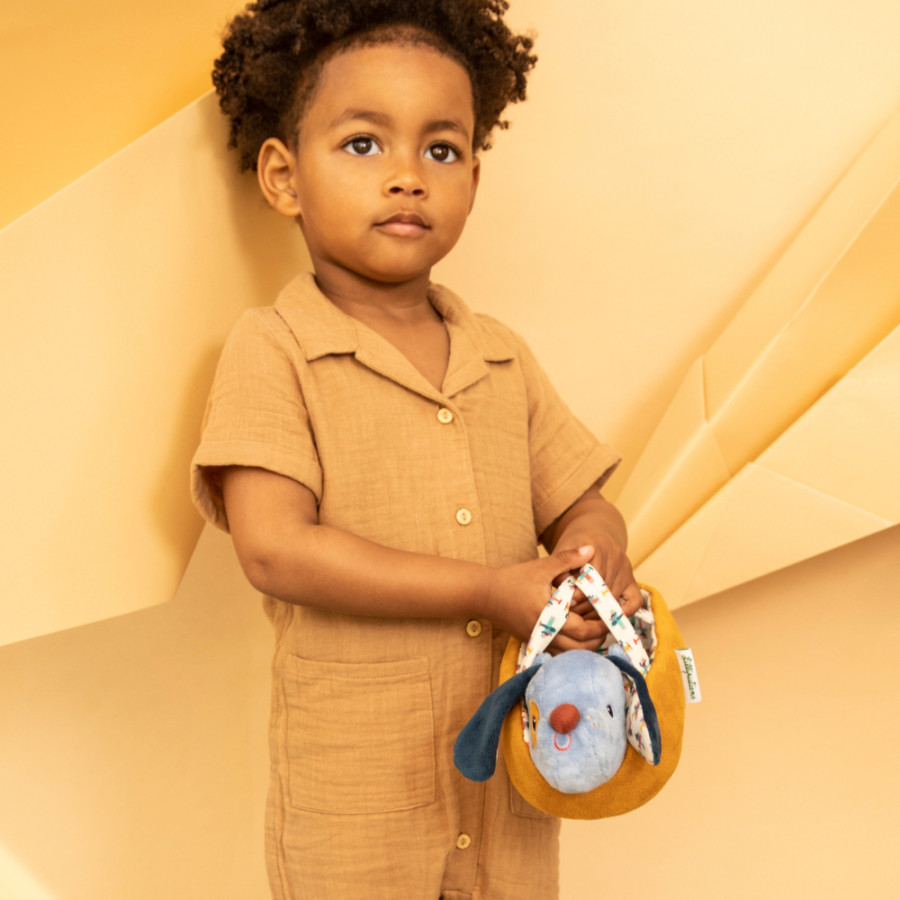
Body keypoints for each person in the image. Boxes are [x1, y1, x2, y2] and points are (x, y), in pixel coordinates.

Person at [191, 1, 643, 897]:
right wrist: (485, 589)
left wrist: (594, 559)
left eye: (440, 150)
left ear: (473, 175)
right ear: (283, 176)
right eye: (364, 144)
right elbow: (275, 549)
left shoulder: (502, 356)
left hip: (513, 786)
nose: (407, 177)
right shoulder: (274, 348)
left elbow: (582, 500)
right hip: (358, 807)